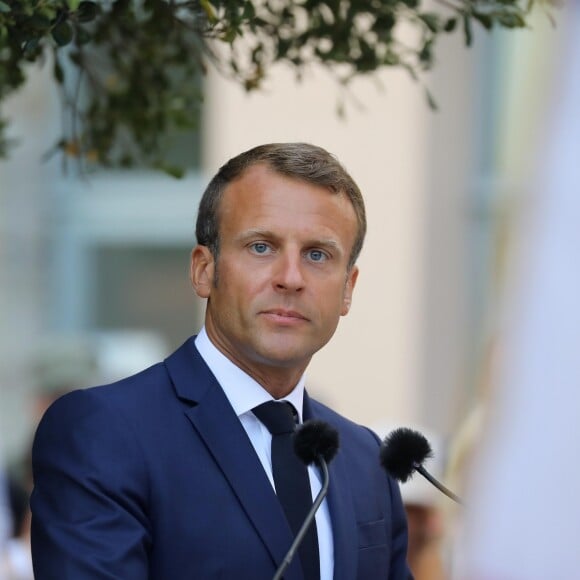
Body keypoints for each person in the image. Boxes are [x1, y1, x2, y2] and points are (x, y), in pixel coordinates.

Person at [30, 143, 412, 579]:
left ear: (348, 288)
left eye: (317, 255)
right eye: (262, 247)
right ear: (203, 270)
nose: (291, 278)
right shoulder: (106, 433)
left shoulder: (365, 460)